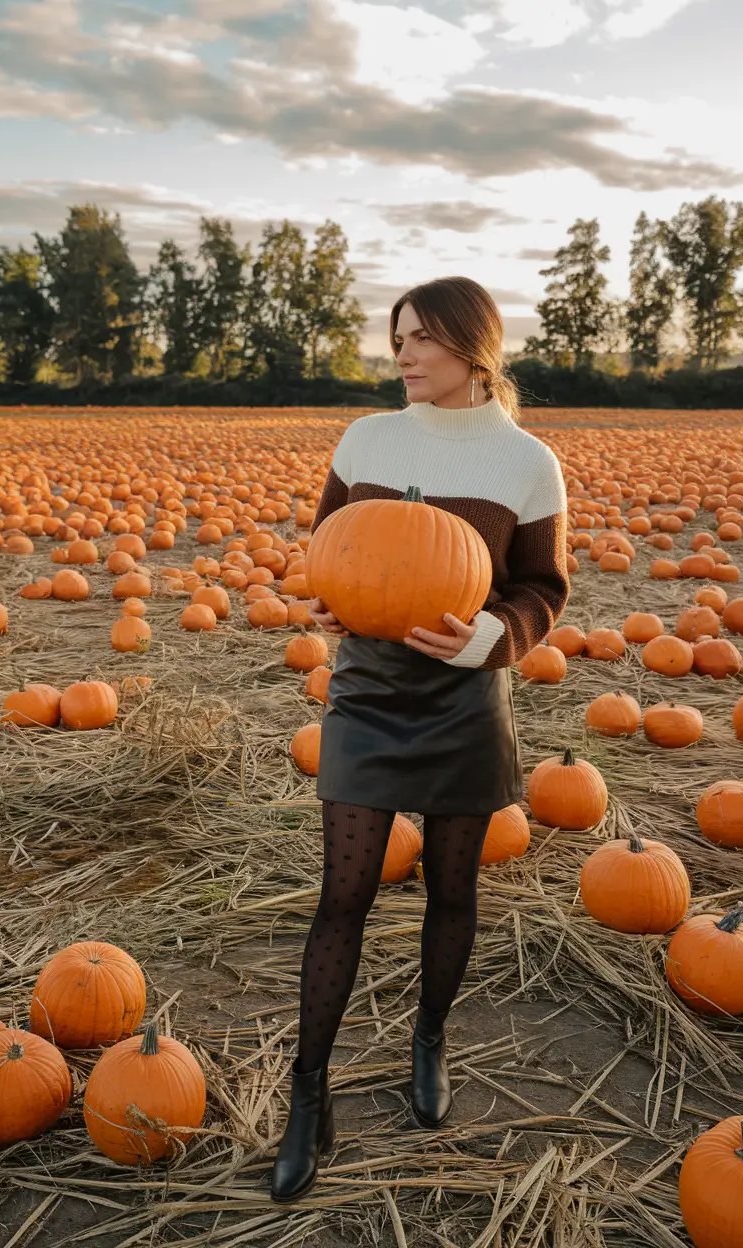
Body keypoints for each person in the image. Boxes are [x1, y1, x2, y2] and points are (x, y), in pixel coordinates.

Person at [269, 275, 570, 1203]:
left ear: (473, 348)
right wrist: (321, 594)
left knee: (451, 891)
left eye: (421, 340)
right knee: (342, 896)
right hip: (366, 692)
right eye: (397, 337)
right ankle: (308, 1097)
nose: (401, 354)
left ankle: (429, 1039)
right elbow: (326, 549)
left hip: (463, 700)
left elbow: (542, 589)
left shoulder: (527, 462)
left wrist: (498, 637)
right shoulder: (367, 439)